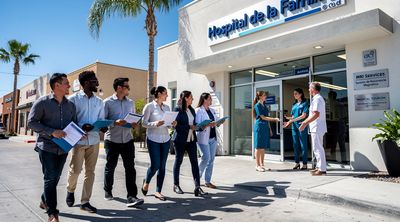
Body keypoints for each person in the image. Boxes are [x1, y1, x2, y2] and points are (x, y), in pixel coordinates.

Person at [28, 73, 77, 222]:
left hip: (63, 148)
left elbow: (73, 125)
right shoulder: (42, 102)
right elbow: (31, 123)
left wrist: (79, 133)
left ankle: (44, 200)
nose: (69, 86)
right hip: (46, 147)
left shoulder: (71, 106)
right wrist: (52, 132)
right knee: (50, 178)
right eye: (66, 83)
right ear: (57, 85)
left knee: (55, 178)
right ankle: (52, 213)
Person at [65, 71, 104, 213]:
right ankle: (70, 190)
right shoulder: (73, 99)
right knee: (75, 170)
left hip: (94, 140)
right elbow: (68, 120)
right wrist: (81, 127)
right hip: (78, 141)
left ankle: (85, 201)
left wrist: (103, 127)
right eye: (95, 81)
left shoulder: (99, 101)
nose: (97, 84)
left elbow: (101, 118)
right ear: (86, 83)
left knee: (90, 172)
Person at [103, 78, 144, 207]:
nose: (129, 88)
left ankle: (132, 196)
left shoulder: (130, 102)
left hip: (127, 140)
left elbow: (133, 119)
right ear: (119, 87)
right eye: (127, 86)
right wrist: (115, 122)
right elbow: (103, 122)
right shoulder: (107, 103)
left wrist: (133, 124)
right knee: (111, 167)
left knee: (130, 169)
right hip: (112, 140)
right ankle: (107, 190)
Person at [141, 86, 176, 201]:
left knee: (162, 166)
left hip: (165, 139)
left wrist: (172, 123)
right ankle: (146, 181)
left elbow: (169, 124)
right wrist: (156, 123)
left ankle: (158, 191)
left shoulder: (167, 107)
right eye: (165, 93)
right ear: (159, 94)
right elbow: (144, 123)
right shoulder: (149, 106)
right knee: (155, 165)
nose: (167, 95)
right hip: (153, 139)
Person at [173, 91, 207, 196]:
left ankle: (197, 187)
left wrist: (200, 126)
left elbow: (194, 124)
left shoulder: (191, 109)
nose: (192, 99)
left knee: (194, 163)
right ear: (186, 98)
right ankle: (176, 185)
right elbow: (176, 126)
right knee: (178, 161)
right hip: (180, 140)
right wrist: (189, 127)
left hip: (191, 139)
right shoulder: (177, 109)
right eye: (191, 97)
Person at [195, 92, 226, 188]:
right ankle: (196, 178)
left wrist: (219, 122)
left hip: (212, 138)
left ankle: (207, 181)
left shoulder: (212, 110)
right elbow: (197, 125)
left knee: (211, 160)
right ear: (204, 100)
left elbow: (215, 122)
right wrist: (208, 124)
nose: (211, 101)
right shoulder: (198, 110)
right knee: (205, 158)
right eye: (209, 99)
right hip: (203, 138)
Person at [299, 82, 328, 176]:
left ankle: (322, 169)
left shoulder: (317, 99)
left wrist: (304, 122)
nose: (308, 90)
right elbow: (314, 114)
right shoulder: (317, 98)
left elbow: (316, 114)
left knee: (318, 148)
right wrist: (305, 122)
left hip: (317, 127)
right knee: (318, 148)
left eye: (309, 88)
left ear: (314, 89)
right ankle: (320, 167)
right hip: (317, 127)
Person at [252, 91, 280, 172]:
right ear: (260, 97)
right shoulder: (257, 105)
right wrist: (274, 119)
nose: (265, 97)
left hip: (265, 127)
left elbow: (266, 118)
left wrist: (270, 129)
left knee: (263, 147)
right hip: (259, 127)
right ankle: (257, 165)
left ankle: (262, 165)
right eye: (264, 95)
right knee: (258, 147)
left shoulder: (264, 105)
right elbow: (263, 117)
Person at [284, 88, 309, 170]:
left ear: (300, 94)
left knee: (303, 145)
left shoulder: (305, 103)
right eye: (294, 94)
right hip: (294, 127)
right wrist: (288, 120)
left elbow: (303, 116)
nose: (294, 95)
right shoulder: (294, 105)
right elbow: (293, 117)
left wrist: (293, 120)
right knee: (295, 146)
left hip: (302, 126)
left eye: (296, 93)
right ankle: (297, 163)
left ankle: (305, 164)